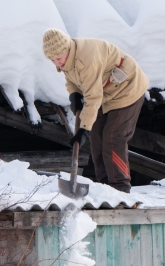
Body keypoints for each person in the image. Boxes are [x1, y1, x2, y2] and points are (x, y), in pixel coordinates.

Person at [42, 28, 149, 193]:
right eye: (52, 60)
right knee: (97, 137)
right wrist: (75, 96)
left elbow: (93, 97)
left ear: (67, 49)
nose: (57, 63)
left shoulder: (87, 59)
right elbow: (71, 79)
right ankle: (105, 185)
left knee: (113, 137)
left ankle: (120, 186)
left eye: (58, 58)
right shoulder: (66, 60)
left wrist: (83, 128)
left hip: (127, 89)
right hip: (107, 93)